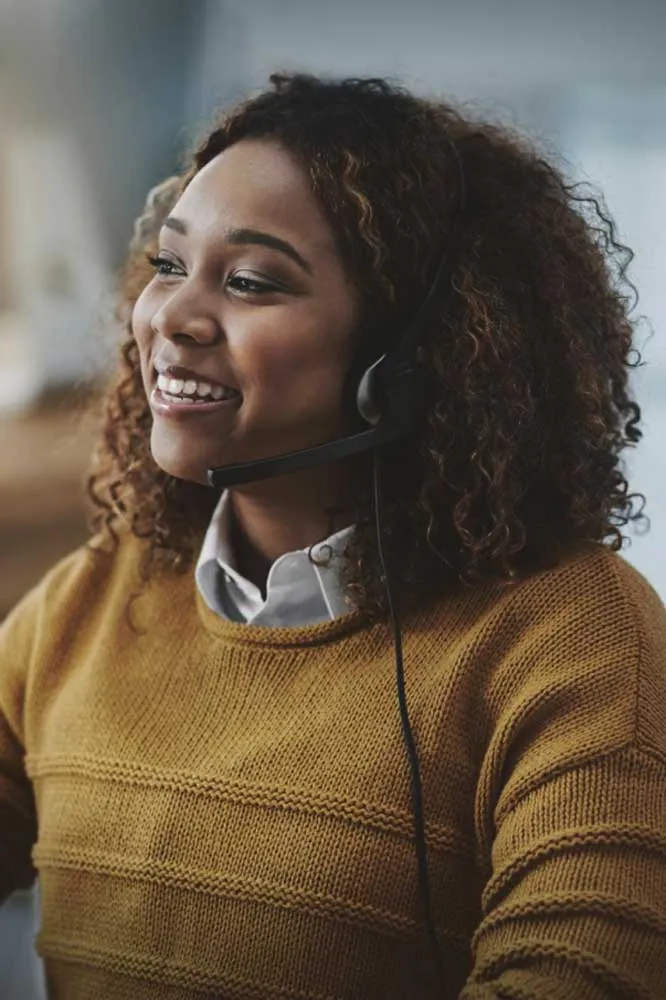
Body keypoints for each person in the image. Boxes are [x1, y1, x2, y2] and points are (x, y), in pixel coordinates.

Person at [0, 73, 664, 1000]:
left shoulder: (578, 639)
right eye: (168, 265)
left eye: (250, 282)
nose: (170, 318)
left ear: (408, 361)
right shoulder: (94, 597)